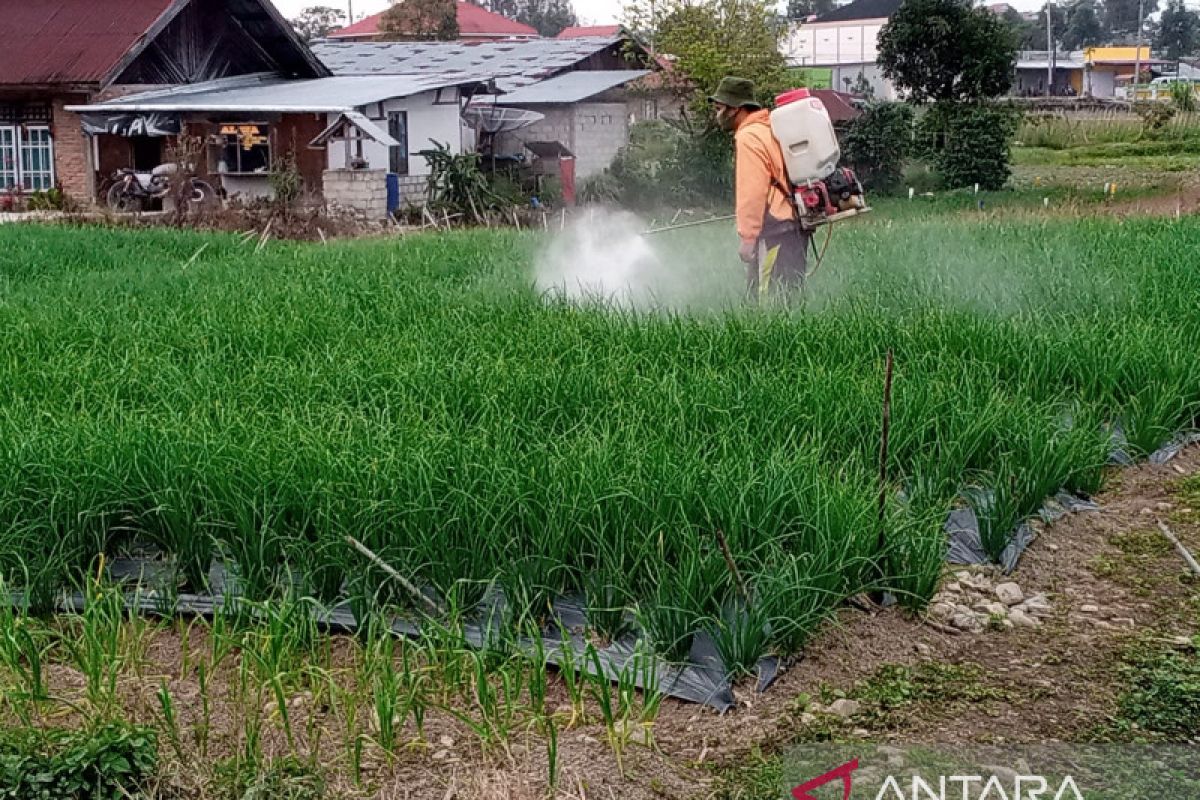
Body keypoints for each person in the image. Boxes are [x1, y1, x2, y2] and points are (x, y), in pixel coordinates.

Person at [709, 76, 810, 301]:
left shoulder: (748, 137)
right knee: (789, 299)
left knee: (766, 305)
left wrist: (748, 238)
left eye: (719, 108)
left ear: (734, 109)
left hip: (774, 231)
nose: (716, 115)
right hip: (793, 228)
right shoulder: (768, 129)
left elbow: (752, 192)